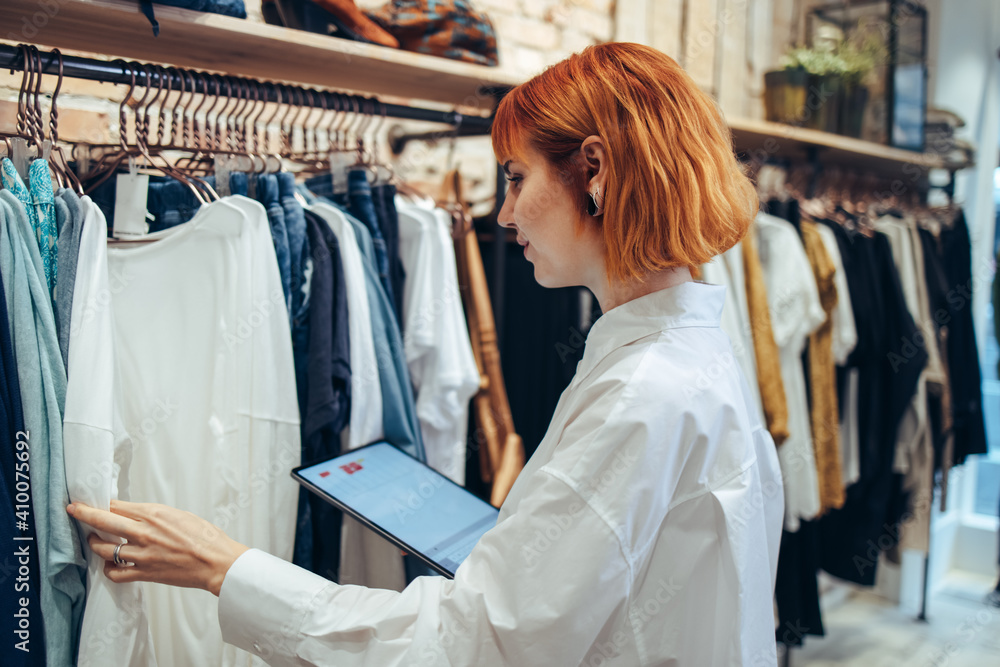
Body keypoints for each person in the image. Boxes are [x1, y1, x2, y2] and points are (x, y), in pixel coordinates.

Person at [67, 42, 784, 666]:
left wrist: (227, 567)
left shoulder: (643, 391)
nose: (502, 214)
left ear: (592, 169)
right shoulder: (693, 346)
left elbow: (475, 644)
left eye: (515, 176)